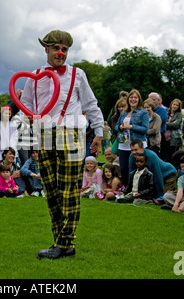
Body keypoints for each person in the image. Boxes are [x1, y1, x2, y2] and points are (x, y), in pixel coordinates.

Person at [21, 30, 104, 259]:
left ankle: (65, 242)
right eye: (56, 48)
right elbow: (25, 103)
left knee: (69, 190)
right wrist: (27, 116)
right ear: (46, 49)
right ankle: (61, 242)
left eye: (65, 49)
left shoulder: (77, 74)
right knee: (51, 190)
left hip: (71, 134)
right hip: (44, 135)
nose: (60, 53)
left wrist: (98, 131)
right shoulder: (34, 76)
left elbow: (91, 103)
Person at [115, 89, 149, 187]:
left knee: (135, 168)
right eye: (131, 97)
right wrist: (120, 127)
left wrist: (131, 126)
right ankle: (126, 188)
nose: (133, 99)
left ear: (139, 99)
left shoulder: (143, 113)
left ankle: (137, 188)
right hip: (124, 144)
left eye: (135, 97)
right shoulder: (124, 112)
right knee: (124, 168)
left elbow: (145, 129)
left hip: (137, 145)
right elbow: (116, 126)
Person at [129, 139, 177, 204]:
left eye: (136, 150)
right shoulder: (132, 156)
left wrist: (161, 196)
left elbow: (157, 176)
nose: (134, 152)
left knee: (165, 197)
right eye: (132, 150)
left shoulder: (151, 156)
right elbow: (132, 174)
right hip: (153, 176)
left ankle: (173, 191)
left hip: (168, 174)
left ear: (142, 148)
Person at [148, 92, 168, 156]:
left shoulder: (162, 111)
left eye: (153, 100)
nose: (151, 101)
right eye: (150, 100)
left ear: (158, 100)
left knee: (157, 156)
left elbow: (157, 125)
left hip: (158, 136)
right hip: (148, 136)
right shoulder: (146, 110)